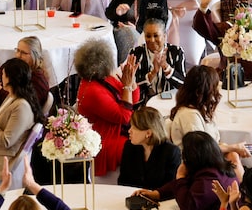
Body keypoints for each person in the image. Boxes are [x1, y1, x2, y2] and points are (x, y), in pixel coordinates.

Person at [74, 39, 139, 176]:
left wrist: (131, 81)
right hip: (107, 141)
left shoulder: (104, 78)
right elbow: (124, 117)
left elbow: (133, 99)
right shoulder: (92, 90)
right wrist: (126, 86)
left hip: (119, 130)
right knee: (141, 148)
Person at [161, 131, 237, 210]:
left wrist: (180, 176)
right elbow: (185, 184)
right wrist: (158, 193)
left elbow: (188, 205)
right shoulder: (216, 166)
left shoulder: (211, 176)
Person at [168, 65, 249, 168]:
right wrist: (233, 147)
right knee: (233, 157)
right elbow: (202, 151)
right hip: (196, 166)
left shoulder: (196, 109)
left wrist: (229, 148)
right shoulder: (189, 116)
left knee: (233, 156)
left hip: (205, 159)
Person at [105, 0, 169, 62]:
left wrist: (137, 29)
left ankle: (128, 67)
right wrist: (117, 12)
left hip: (147, 35)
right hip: (120, 31)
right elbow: (108, 13)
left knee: (128, 33)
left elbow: (161, 22)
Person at [0, 36, 49, 116]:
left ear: (35, 56)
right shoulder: (10, 66)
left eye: (24, 53)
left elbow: (24, 107)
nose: (18, 55)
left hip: (9, 119)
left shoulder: (38, 80)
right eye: (17, 50)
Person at [118, 106, 181, 197]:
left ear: (148, 133)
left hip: (160, 203)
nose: (129, 131)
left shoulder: (171, 152)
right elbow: (122, 181)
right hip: (132, 199)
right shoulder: (130, 146)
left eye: (134, 128)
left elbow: (170, 187)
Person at [130, 17, 185, 103]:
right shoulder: (136, 53)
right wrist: (153, 73)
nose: (152, 40)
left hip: (169, 100)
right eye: (148, 36)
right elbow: (132, 85)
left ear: (164, 36)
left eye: (156, 35)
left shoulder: (176, 52)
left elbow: (183, 85)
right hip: (144, 103)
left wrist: (166, 67)